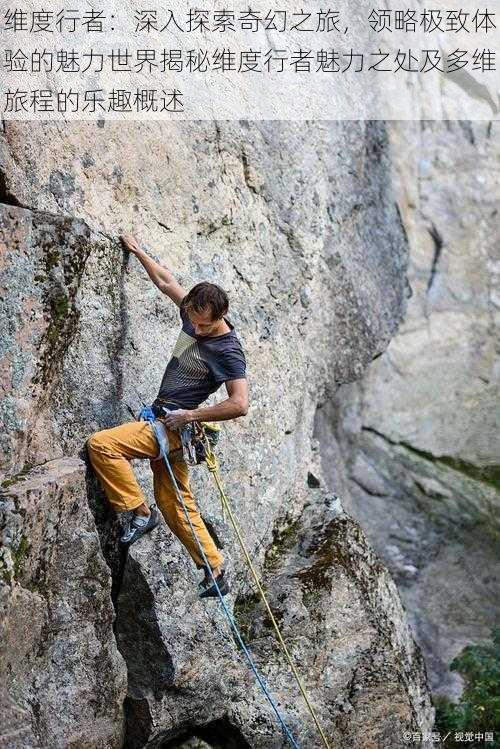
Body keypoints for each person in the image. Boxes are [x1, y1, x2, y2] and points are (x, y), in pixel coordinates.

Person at [87, 234, 249, 598]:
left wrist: (191, 415)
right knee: (175, 502)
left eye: (205, 324)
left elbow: (240, 403)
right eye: (194, 320)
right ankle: (215, 568)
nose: (198, 328)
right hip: (167, 423)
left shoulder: (227, 350)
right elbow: (166, 282)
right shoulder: (193, 315)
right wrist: (137, 250)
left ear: (220, 316)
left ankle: (137, 512)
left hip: (173, 427)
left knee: (103, 446)